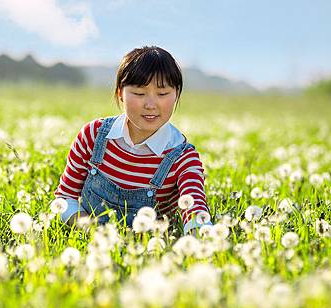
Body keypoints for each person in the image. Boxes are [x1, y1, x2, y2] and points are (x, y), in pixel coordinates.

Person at [54, 46, 212, 235]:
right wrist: (95, 233)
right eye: (139, 93)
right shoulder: (93, 136)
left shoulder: (183, 157)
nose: (151, 105)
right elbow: (65, 198)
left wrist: (203, 239)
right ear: (120, 93)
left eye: (162, 94)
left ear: (176, 94)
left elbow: (196, 214)